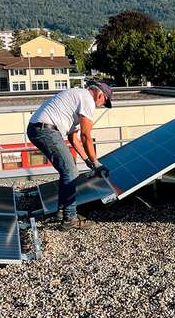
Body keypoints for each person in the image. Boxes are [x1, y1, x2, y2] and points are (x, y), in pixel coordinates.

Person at [27, 82, 113, 230]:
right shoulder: (87, 99)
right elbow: (86, 136)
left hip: (38, 129)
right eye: (103, 102)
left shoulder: (76, 98)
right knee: (71, 172)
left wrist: (87, 160)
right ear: (100, 95)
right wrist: (96, 163)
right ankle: (70, 218)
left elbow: (74, 138)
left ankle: (61, 211)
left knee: (67, 170)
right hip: (46, 130)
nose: (100, 106)